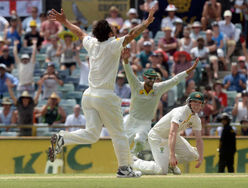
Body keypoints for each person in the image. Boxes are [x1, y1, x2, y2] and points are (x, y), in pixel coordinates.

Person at [47, 7, 157, 178]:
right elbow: (131, 35)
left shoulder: (91, 43)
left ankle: (62, 139)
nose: (115, 31)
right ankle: (124, 169)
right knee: (119, 134)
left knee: (92, 134)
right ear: (108, 34)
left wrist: (64, 22)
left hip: (89, 95)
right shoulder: (113, 45)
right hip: (104, 96)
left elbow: (80, 34)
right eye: (112, 29)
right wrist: (146, 22)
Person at [123, 47, 199, 155]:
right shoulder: (136, 85)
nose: (152, 80)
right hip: (131, 120)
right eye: (150, 78)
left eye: (154, 78)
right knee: (123, 143)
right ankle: (125, 164)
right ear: (144, 77)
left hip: (145, 122)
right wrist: (125, 60)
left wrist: (189, 71)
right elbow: (129, 73)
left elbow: (174, 80)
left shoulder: (158, 88)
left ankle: (132, 158)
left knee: (139, 141)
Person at [132, 92, 204, 175]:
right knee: (162, 171)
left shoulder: (196, 119)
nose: (197, 105)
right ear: (189, 102)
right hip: (158, 136)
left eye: (199, 103)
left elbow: (199, 140)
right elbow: (172, 133)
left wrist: (201, 158)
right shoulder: (180, 112)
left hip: (174, 137)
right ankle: (135, 162)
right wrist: (172, 155)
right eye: (195, 102)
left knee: (193, 155)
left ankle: (170, 165)